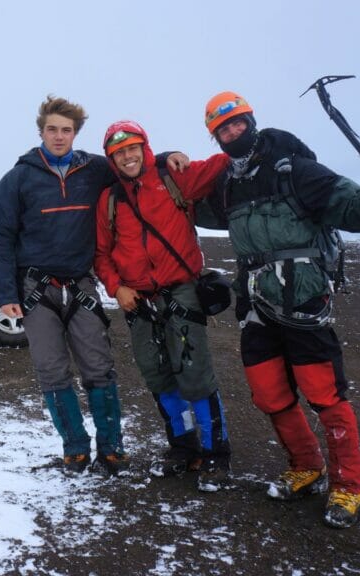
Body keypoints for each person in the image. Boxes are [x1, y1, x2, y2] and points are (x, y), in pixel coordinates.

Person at [200, 91, 360, 528]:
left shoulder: (297, 171)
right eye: (222, 129)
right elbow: (187, 207)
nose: (231, 133)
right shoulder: (228, 183)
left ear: (251, 121)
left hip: (304, 303)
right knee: (269, 394)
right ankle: (306, 467)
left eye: (236, 123)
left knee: (324, 395)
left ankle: (348, 486)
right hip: (256, 304)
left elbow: (358, 213)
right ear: (214, 137)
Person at [0, 95, 185, 476]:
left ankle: (111, 448)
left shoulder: (95, 170)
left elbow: (133, 164)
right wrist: (6, 294)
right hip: (36, 289)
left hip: (81, 286)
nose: (59, 136)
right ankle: (75, 449)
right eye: (52, 129)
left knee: (99, 368)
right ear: (41, 131)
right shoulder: (17, 179)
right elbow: (2, 237)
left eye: (66, 130)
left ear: (76, 133)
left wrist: (166, 157)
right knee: (52, 371)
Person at [93, 120, 233, 492]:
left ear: (145, 147)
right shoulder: (109, 201)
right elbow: (102, 254)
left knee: (195, 375)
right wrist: (116, 287)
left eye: (132, 148)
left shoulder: (174, 178)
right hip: (137, 301)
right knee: (158, 377)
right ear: (112, 158)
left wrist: (262, 142)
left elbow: (221, 163)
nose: (127, 156)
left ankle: (215, 452)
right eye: (119, 152)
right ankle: (183, 447)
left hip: (181, 293)